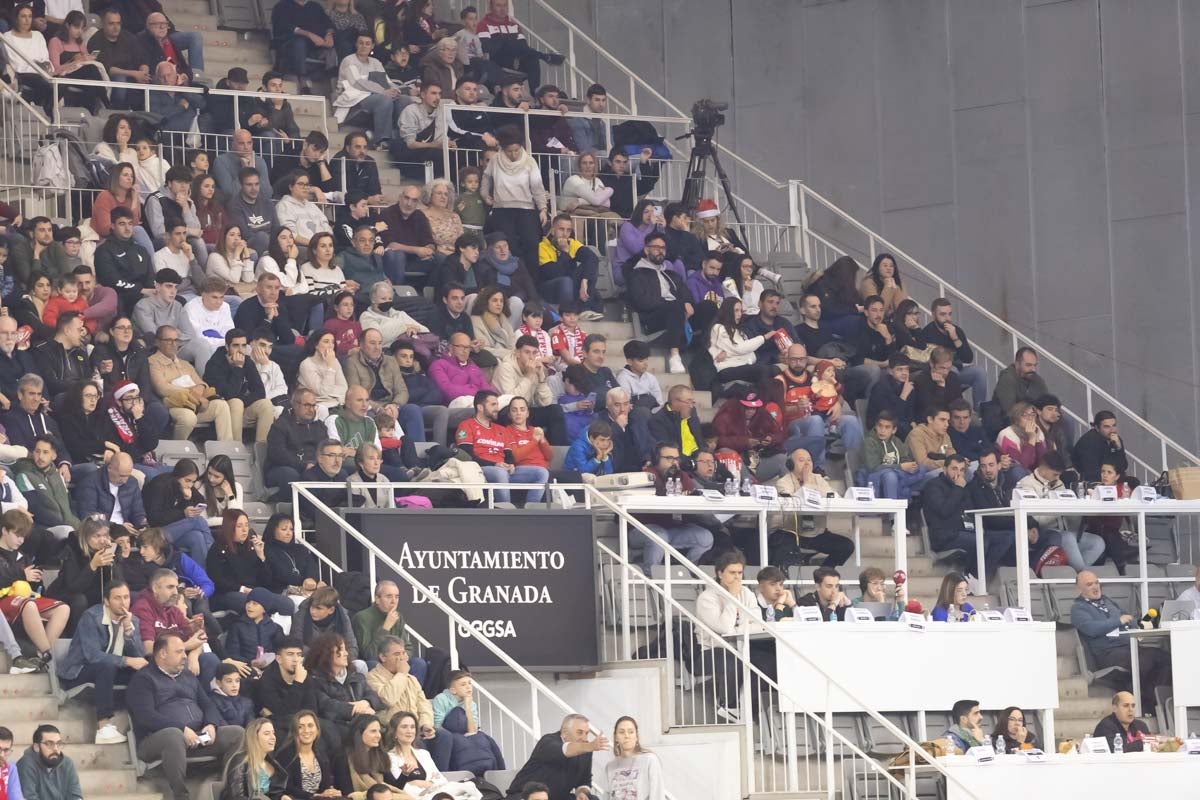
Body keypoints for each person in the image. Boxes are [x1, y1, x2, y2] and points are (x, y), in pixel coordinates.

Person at [127, 633, 243, 800]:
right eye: (179, 652)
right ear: (162, 654)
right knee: (173, 735)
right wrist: (182, 729)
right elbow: (146, 716)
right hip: (156, 740)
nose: (184, 656)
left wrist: (211, 724)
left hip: (196, 737)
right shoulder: (143, 679)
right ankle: (181, 796)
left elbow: (207, 704)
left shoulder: (188, 676)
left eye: (184, 652)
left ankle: (232, 792)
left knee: (237, 733)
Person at [55, 580, 146, 745]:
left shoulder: (134, 621)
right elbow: (93, 656)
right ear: (106, 601)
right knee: (106, 665)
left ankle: (141, 725)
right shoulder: (91, 617)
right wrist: (127, 660)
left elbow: (139, 656)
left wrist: (128, 632)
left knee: (144, 672)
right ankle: (103, 727)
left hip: (110, 670)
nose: (123, 602)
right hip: (79, 671)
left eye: (126, 597)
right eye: (117, 598)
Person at [1073, 571, 1172, 714]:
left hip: (1129, 647)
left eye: (1096, 582)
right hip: (1108, 653)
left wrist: (1135, 624)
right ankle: (1148, 704)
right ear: (1079, 589)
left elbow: (1129, 619)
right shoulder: (1078, 609)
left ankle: (1155, 703)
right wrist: (1117, 621)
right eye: (1089, 584)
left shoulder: (1108, 601)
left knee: (1165, 658)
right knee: (1148, 660)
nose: (1095, 587)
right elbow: (1092, 628)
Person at [921, 455, 1012, 578]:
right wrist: (958, 488)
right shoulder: (934, 486)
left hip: (966, 531)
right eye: (954, 469)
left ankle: (983, 576)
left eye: (962, 470)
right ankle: (973, 577)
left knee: (1006, 537)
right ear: (944, 469)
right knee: (981, 542)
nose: (958, 473)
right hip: (945, 535)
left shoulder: (964, 486)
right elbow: (944, 510)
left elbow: (971, 511)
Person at [1016, 451, 1106, 571]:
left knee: (1097, 542)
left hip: (1065, 531)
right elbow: (1034, 519)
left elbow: (1069, 516)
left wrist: (1079, 509)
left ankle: (1077, 574)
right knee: (1068, 537)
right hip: (1042, 534)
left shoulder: (1059, 483)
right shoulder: (1026, 484)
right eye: (1055, 474)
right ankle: (1083, 575)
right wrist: (1060, 509)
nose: (1058, 478)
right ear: (1043, 469)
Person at [693, 550, 756, 723]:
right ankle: (728, 705)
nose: (737, 578)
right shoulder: (707, 598)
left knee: (766, 661)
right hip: (710, 652)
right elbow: (724, 627)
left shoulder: (747, 593)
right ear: (720, 573)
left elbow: (757, 620)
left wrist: (742, 623)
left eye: (740, 573)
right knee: (732, 660)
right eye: (732, 573)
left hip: (740, 647)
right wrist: (732, 598)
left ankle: (754, 708)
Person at [456, 390, 547, 504]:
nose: (497, 408)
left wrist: (511, 464)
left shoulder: (501, 429)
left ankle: (532, 509)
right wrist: (494, 464)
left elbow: (508, 455)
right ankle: (506, 510)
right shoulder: (466, 425)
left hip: (503, 470)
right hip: (480, 469)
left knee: (541, 473)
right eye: (493, 404)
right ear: (480, 407)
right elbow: (466, 456)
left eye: (497, 404)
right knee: (500, 473)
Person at [148, 324, 236, 440]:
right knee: (188, 417)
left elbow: (201, 383)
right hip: (174, 404)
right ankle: (178, 451)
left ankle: (226, 449)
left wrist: (200, 388)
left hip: (195, 404)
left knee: (221, 405)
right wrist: (191, 392)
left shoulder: (185, 364)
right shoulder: (153, 362)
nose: (174, 344)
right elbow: (161, 388)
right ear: (158, 342)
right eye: (168, 340)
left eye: (176, 340)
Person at [482, 126, 548, 279]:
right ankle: (512, 281)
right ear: (503, 149)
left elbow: (537, 187)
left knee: (531, 244)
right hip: (502, 209)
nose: (513, 154)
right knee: (509, 246)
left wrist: (542, 208)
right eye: (509, 151)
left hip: (526, 209)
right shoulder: (496, 161)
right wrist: (485, 194)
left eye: (516, 150)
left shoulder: (530, 162)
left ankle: (532, 281)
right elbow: (486, 178)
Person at [626, 232, 693, 375]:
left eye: (663, 248)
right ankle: (674, 355)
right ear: (646, 250)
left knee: (709, 307)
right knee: (675, 306)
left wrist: (687, 302)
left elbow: (685, 292)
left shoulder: (671, 274)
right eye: (656, 247)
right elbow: (643, 302)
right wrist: (678, 305)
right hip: (653, 318)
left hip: (678, 313)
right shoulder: (637, 274)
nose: (660, 251)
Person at [506, 713, 605, 800]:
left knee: (592, 799)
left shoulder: (585, 751)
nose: (584, 738)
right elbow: (566, 749)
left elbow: (584, 780)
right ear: (565, 732)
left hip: (558, 797)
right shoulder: (547, 742)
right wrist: (590, 746)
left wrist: (581, 792)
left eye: (586, 733)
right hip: (526, 796)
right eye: (579, 732)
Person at [204, 328, 277, 444]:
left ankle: (262, 451)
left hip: (241, 408)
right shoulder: (214, 364)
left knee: (265, 404)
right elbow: (228, 394)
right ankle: (236, 448)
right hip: (222, 411)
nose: (240, 350)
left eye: (243, 346)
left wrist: (243, 401)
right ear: (227, 347)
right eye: (236, 346)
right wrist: (238, 368)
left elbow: (260, 392)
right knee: (236, 402)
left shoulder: (247, 361)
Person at [494, 336, 568, 444]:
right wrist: (528, 377)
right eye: (527, 352)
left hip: (525, 411)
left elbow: (546, 402)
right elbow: (511, 400)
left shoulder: (534, 369)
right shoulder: (505, 368)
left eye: (534, 353)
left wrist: (541, 377)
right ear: (518, 353)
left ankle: (557, 452)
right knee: (513, 411)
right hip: (505, 412)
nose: (531, 357)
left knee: (555, 410)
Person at [430, 669, 503, 775]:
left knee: (487, 739)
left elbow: (473, 731)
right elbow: (438, 726)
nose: (468, 687)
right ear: (453, 690)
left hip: (466, 734)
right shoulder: (441, 699)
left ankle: (497, 773)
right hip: (447, 734)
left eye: (470, 683)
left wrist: (468, 707)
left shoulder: (471, 703)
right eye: (463, 685)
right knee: (457, 714)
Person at [922, 299, 987, 409]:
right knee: (952, 370)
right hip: (939, 372)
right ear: (933, 315)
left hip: (958, 369)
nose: (947, 318)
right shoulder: (928, 333)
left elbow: (968, 358)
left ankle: (980, 412)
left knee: (979, 372)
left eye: (949, 314)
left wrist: (955, 338)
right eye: (942, 314)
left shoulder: (956, 331)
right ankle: (956, 408)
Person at [206, 510, 273, 614]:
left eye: (246, 525)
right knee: (251, 604)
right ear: (230, 528)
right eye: (239, 526)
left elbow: (267, 580)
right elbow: (217, 580)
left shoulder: (251, 545)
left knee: (286, 604)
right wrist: (242, 589)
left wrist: (261, 556)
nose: (244, 530)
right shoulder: (218, 548)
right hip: (228, 593)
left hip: (253, 591)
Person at [265, 388, 327, 497]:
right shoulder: (281, 425)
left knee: (341, 473)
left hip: (313, 467)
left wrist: (316, 464)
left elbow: (325, 449)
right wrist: (304, 465)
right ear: (295, 405)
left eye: (313, 406)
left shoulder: (320, 427)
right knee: (290, 475)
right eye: (307, 405)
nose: (311, 409)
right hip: (283, 468)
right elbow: (277, 455)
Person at [72, 452, 149, 536]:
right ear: (110, 468)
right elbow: (89, 515)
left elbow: (138, 511)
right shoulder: (90, 482)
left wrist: (142, 525)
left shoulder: (132, 482)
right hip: (101, 531)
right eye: (121, 476)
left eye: (128, 476)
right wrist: (115, 527)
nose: (125, 480)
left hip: (127, 530)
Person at [384, 712, 459, 797]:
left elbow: (442, 780)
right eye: (404, 727)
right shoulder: (389, 758)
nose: (409, 731)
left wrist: (424, 784)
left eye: (412, 727)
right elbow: (401, 787)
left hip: (436, 795)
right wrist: (429, 786)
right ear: (394, 732)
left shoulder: (424, 754)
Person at [862, 410, 931, 501]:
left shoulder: (897, 441)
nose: (882, 430)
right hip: (878, 476)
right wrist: (900, 467)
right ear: (876, 426)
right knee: (891, 476)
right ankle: (892, 512)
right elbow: (873, 468)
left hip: (898, 474)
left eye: (887, 427)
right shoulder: (870, 442)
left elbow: (905, 459)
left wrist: (911, 466)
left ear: (894, 430)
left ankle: (901, 487)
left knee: (922, 468)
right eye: (880, 426)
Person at [367, 636, 433, 728]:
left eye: (403, 653)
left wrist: (425, 724)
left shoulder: (411, 678)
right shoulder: (372, 677)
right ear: (383, 657)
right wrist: (401, 674)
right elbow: (389, 699)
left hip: (414, 728)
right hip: (391, 728)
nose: (402, 658)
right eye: (397, 654)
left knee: (442, 735)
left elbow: (423, 704)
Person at [270, 0, 333, 92]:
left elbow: (328, 23)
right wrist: (309, 34)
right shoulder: (282, 6)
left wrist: (329, 34)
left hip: (314, 45)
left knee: (334, 47)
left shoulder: (315, 6)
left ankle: (333, 79)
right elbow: (283, 26)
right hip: (289, 42)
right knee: (299, 43)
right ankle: (303, 79)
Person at [275, 710, 340, 800]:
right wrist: (314, 796)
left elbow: (326, 785)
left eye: (310, 725)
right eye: (300, 727)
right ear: (294, 731)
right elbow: (287, 788)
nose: (306, 730)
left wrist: (331, 791)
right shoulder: (285, 755)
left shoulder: (321, 753)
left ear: (317, 730)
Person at [221, 718, 289, 800]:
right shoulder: (240, 760)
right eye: (267, 734)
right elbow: (237, 797)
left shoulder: (274, 766)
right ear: (254, 737)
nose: (273, 737)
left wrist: (281, 797)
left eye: (273, 733)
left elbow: (273, 794)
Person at [256, 637, 316, 728]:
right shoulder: (266, 681)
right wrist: (298, 683)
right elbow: (283, 714)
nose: (296, 659)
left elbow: (312, 711)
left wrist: (272, 716)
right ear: (279, 659)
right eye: (290, 654)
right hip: (279, 730)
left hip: (304, 727)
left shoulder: (305, 676)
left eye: (299, 654)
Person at [339, 715, 404, 800]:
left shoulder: (380, 756)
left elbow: (394, 788)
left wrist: (404, 775)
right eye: (373, 731)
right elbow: (345, 793)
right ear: (359, 733)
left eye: (379, 731)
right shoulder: (343, 758)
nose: (378, 735)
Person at [16, 725, 81, 800]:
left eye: (58, 743)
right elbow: (29, 797)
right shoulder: (26, 765)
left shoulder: (67, 763)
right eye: (49, 744)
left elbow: (75, 795)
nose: (56, 749)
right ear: (36, 747)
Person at [225, 167, 277, 256]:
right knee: (262, 237)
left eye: (257, 184)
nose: (254, 188)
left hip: (270, 243)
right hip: (249, 244)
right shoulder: (234, 206)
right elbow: (244, 234)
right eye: (249, 185)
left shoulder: (267, 203)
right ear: (241, 185)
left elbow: (276, 228)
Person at [1073, 411, 1131, 485]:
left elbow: (1123, 466)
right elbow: (1091, 472)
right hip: (1093, 482)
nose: (1112, 430)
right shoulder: (1089, 441)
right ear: (1097, 428)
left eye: (1114, 425)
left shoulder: (1116, 439)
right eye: (1107, 427)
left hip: (1112, 479)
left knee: (1132, 482)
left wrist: (1119, 448)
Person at [991, 347, 1049, 419]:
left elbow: (1047, 402)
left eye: (1035, 365)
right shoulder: (1007, 378)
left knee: (1063, 419)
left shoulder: (1037, 379)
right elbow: (1009, 411)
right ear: (1017, 364)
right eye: (1028, 365)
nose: (1033, 369)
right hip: (1007, 421)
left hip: (1033, 418)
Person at [995, 401, 1045, 478]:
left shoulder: (1038, 431)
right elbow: (1021, 466)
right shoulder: (1006, 434)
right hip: (1012, 475)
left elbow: (1044, 463)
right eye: (1025, 415)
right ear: (1016, 419)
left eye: (1033, 415)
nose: (1030, 418)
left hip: (1034, 474)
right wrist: (1031, 439)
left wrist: (1037, 440)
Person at [906, 406, 956, 474]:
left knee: (969, 470)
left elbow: (951, 454)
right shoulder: (916, 434)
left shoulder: (945, 435)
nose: (947, 424)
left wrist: (959, 461)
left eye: (948, 421)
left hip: (940, 470)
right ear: (930, 419)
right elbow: (922, 463)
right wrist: (949, 463)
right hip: (918, 475)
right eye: (942, 420)